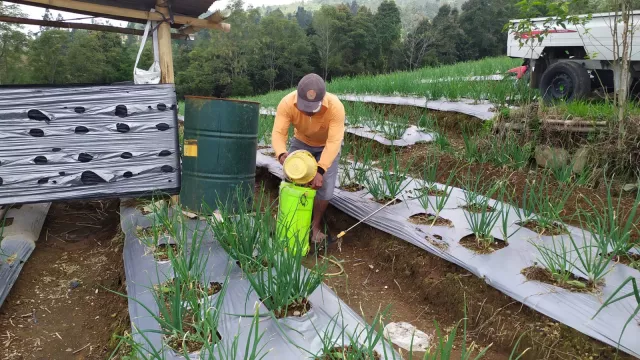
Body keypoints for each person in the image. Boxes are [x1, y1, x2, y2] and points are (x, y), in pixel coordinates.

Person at [271, 73, 345, 244]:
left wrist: (320, 170)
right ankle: (288, 221)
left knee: (325, 186)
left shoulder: (335, 107)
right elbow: (279, 132)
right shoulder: (287, 103)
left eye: (313, 108)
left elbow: (334, 141)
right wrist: (282, 154)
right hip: (301, 143)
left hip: (326, 146)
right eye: (305, 107)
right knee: (290, 180)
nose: (308, 112)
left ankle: (315, 227)